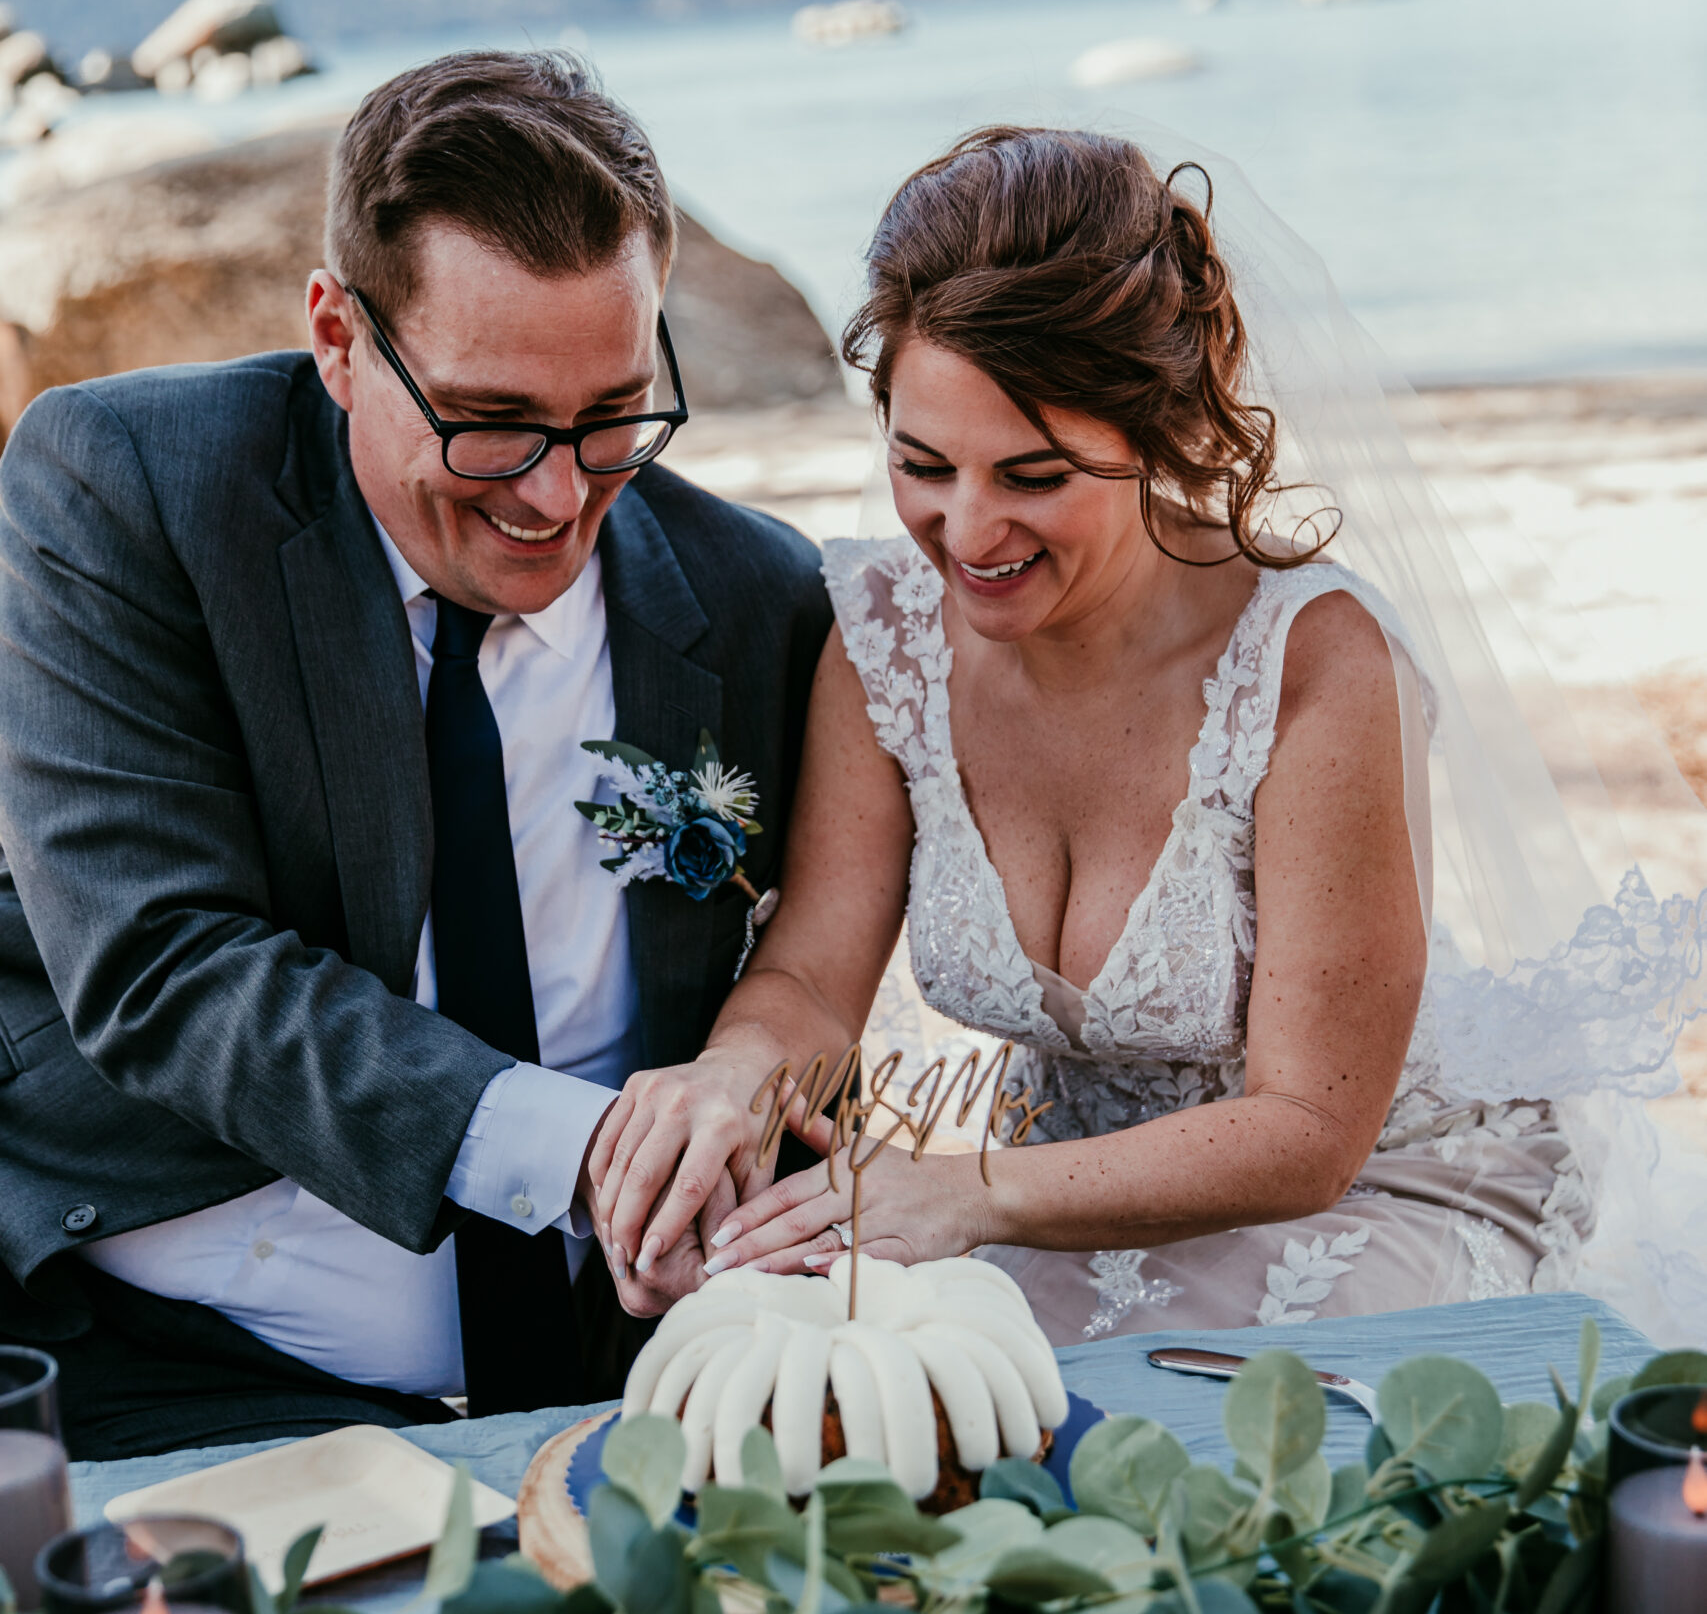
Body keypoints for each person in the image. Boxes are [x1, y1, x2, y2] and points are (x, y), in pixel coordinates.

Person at [589, 124, 1707, 1345]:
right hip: (1041, 1205)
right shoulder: (884, 637)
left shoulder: (1313, 665)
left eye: (1034, 475)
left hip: (1372, 1188)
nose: (965, 531)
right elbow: (810, 974)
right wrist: (730, 1076)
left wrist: (964, 1193)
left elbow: (1306, 1132)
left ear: (1158, 428)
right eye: (924, 464)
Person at [0, 50, 829, 1456]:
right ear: (336, 337)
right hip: (163, 1362)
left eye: (614, 412)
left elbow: (801, 972)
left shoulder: (752, 594)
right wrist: (582, 1159)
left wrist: (731, 1173)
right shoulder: (128, 487)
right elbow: (160, 960)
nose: (560, 497)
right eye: (491, 424)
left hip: (632, 1364)